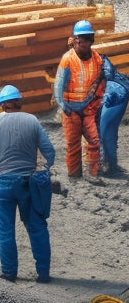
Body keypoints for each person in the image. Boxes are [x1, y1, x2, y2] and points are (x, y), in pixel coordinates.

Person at [0, 85, 56, 283]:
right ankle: (43, 273)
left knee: (6, 231)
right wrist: (43, 171)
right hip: (28, 183)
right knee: (37, 228)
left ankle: (9, 273)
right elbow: (49, 151)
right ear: (18, 101)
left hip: (3, 185)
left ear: (2, 104)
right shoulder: (32, 120)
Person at [53, 20, 117, 182]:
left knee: (94, 141)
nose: (82, 42)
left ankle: (92, 173)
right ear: (75, 40)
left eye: (86, 39)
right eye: (80, 39)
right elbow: (59, 85)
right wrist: (62, 105)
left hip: (88, 108)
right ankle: (74, 175)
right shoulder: (68, 59)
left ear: (90, 40)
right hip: (70, 108)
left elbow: (102, 81)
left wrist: (97, 103)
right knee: (73, 144)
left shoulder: (97, 59)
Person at [98, 78, 129, 177]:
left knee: (106, 132)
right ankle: (110, 166)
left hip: (114, 92)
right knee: (108, 131)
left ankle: (111, 167)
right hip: (115, 91)